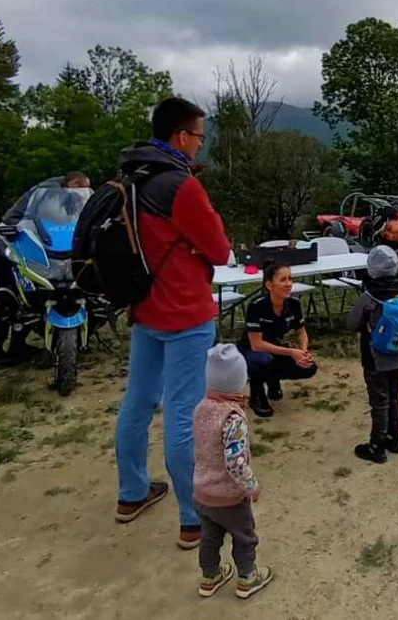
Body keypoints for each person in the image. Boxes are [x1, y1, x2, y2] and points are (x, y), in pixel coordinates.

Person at [113, 97, 232, 551]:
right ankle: (192, 519)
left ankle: (132, 493)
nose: (201, 145)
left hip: (145, 309)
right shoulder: (181, 186)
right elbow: (219, 250)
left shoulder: (133, 175)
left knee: (138, 402)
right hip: (185, 312)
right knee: (184, 415)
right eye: (200, 136)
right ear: (182, 136)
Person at [0, 171, 91, 368]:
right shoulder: (46, 192)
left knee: (31, 293)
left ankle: (18, 345)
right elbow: (36, 220)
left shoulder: (67, 194)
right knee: (9, 295)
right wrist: (9, 229)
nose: (81, 193)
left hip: (25, 241)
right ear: (72, 183)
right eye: (80, 188)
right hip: (6, 240)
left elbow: (70, 221)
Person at [193, 344, 274, 600]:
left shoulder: (201, 408)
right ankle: (248, 578)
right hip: (228, 496)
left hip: (201, 492)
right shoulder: (232, 419)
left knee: (210, 536)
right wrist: (252, 485)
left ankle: (210, 576)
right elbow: (235, 462)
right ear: (240, 382)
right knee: (244, 536)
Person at [346, 246, 398, 464]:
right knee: (393, 397)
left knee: (379, 401)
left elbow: (352, 323)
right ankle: (394, 439)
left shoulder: (370, 297)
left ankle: (376, 446)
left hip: (374, 358)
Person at [237, 263, 318, 418]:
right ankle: (257, 395)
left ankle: (273, 381)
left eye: (290, 279)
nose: (288, 284)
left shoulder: (294, 303)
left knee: (309, 367)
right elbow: (256, 344)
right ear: (269, 284)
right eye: (282, 280)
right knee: (264, 360)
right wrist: (291, 352)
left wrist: (303, 352)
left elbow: (302, 332)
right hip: (251, 350)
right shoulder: (257, 305)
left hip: (275, 347)